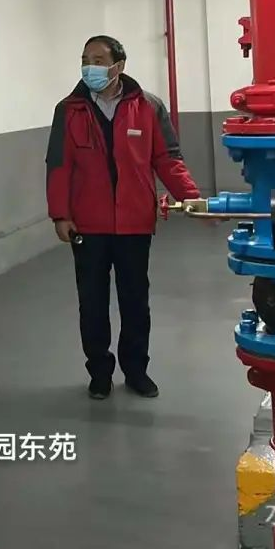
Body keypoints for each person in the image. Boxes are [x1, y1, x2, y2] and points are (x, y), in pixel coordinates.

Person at [45, 35, 200, 400]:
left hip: (134, 223)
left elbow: (168, 159)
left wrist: (193, 200)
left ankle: (136, 371)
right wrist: (60, 215)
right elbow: (59, 165)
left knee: (135, 302)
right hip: (87, 225)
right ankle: (99, 373)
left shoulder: (148, 106)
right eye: (85, 59)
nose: (90, 67)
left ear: (119, 65)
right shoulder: (69, 109)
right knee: (92, 303)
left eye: (98, 60)